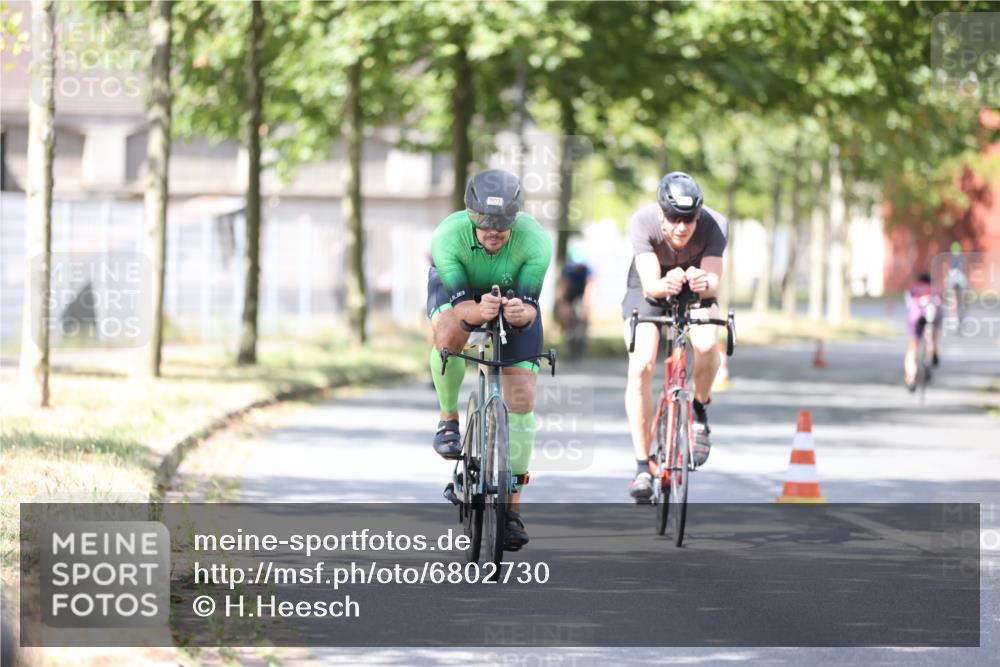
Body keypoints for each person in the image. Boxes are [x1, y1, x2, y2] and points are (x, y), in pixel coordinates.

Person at [426, 168, 552, 550]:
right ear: (470, 216)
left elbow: (531, 310)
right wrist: (477, 312)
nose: (494, 234)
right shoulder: (449, 236)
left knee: (522, 400)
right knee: (448, 339)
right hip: (461, 295)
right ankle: (448, 417)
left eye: (502, 227)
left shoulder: (535, 243)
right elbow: (462, 311)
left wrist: (520, 314)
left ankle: (511, 511)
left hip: (512, 300)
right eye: (485, 225)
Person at [622, 172, 728, 502]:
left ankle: (698, 408)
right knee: (642, 364)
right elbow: (652, 283)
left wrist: (702, 281)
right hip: (650, 288)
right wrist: (666, 283)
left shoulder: (715, 224)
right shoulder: (642, 222)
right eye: (674, 219)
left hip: (695, 289)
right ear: (660, 214)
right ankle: (642, 465)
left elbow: (714, 282)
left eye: (689, 220)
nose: (682, 227)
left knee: (708, 343)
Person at [903, 271, 944, 391]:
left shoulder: (913, 288)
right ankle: (933, 351)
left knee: (912, 347)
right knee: (934, 333)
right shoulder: (936, 290)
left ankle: (910, 377)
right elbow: (941, 307)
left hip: (915, 317)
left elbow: (909, 304)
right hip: (933, 317)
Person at [556, 245, 595, 360]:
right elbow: (564, 287)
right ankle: (567, 334)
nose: (577, 268)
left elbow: (591, 286)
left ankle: (584, 336)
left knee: (584, 314)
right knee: (565, 313)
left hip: (582, 293)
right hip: (570, 294)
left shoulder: (588, 270)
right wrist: (563, 303)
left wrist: (587, 303)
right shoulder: (567, 270)